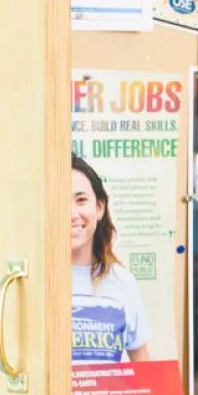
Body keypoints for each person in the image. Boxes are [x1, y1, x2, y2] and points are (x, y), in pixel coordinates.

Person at [70, 154, 151, 365]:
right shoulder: (34, 281)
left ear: (99, 207)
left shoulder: (122, 282)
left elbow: (143, 370)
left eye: (81, 200)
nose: (72, 214)